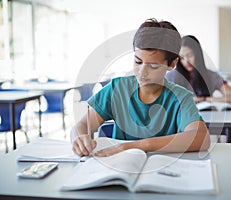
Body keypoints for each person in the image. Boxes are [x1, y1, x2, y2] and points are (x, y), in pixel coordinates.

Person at [71, 19, 210, 157]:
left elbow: (202, 139)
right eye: (138, 61)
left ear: (172, 64)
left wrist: (138, 146)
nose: (142, 71)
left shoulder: (181, 97)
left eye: (153, 66)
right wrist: (80, 138)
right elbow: (82, 125)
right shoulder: (117, 89)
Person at [166, 35, 231, 105]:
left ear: (198, 55)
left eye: (190, 55)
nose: (186, 61)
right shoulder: (170, 77)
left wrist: (208, 99)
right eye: (182, 58)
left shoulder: (212, 76)